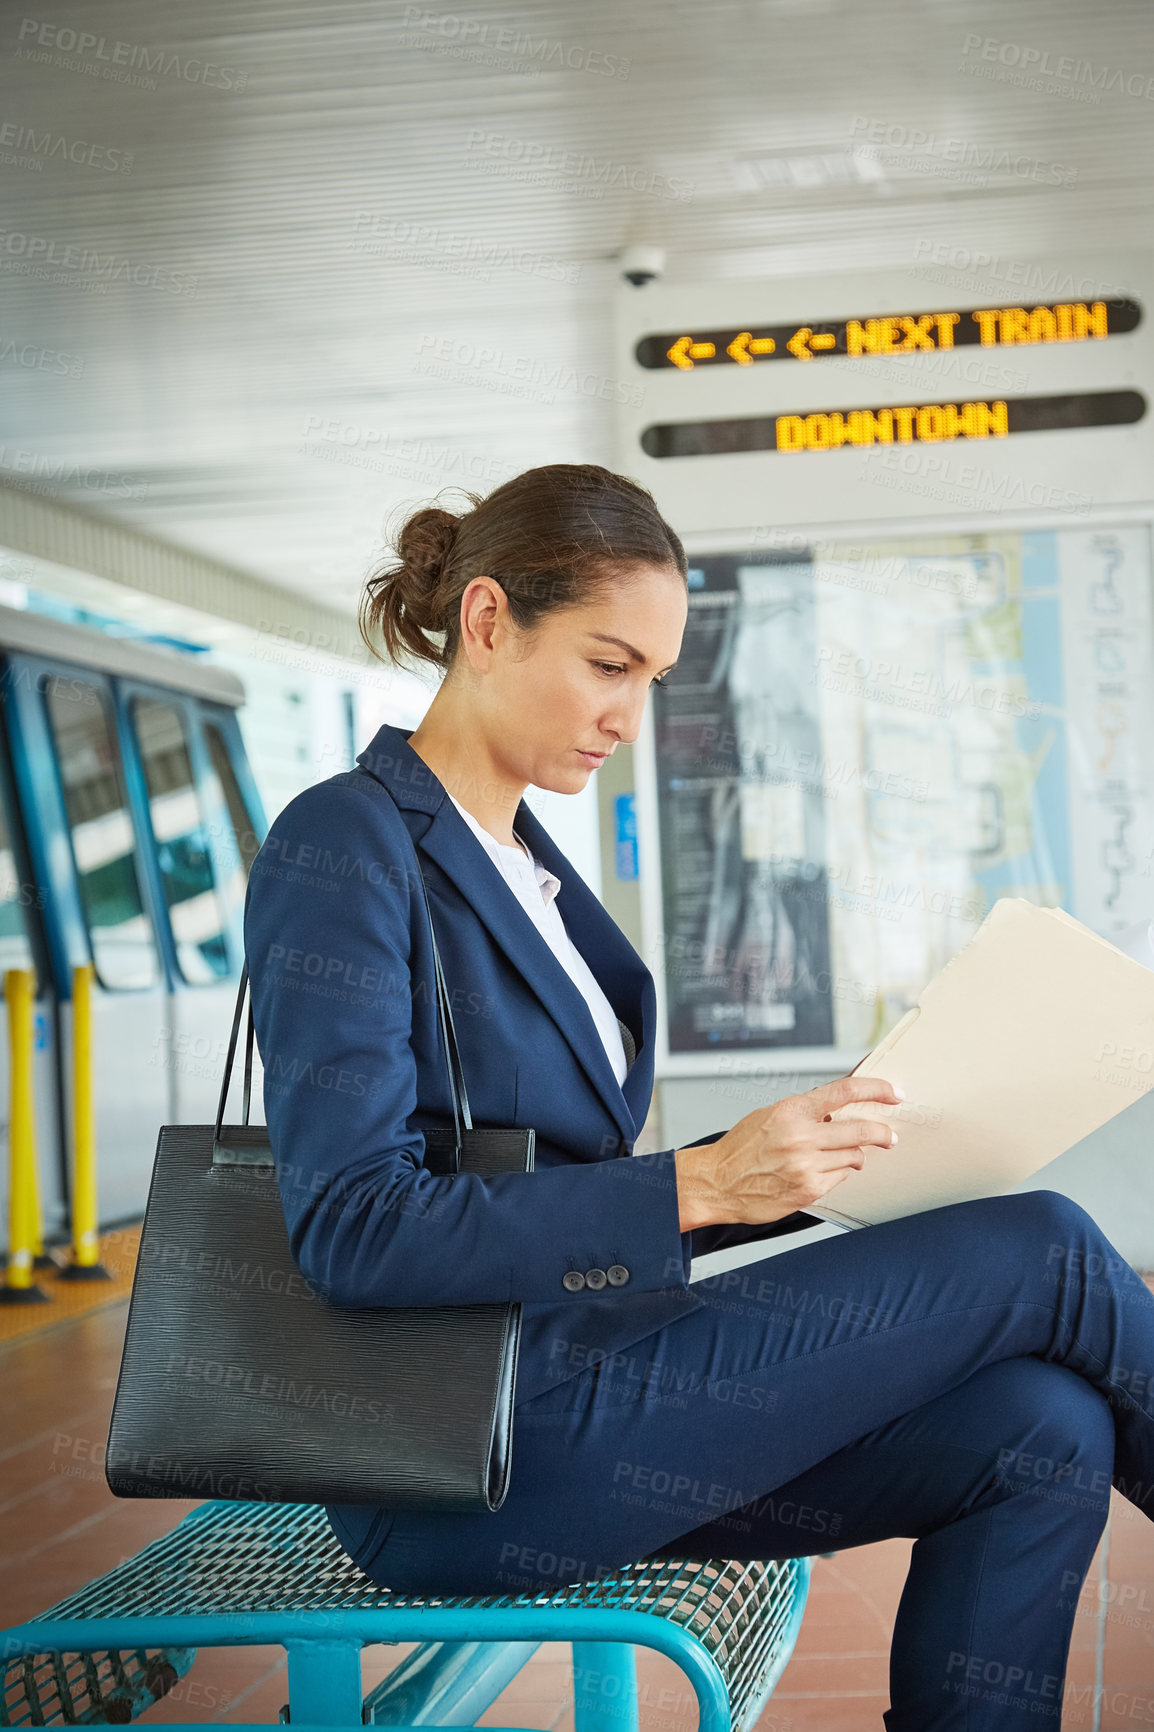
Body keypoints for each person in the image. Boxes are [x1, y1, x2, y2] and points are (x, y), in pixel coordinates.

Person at [244, 462, 1154, 1732]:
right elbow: (352, 1224)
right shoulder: (344, 841)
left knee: (1042, 1428)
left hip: (591, 1389)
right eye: (609, 663)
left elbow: (570, 1199)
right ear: (491, 622)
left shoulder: (539, 877)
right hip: (466, 1450)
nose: (629, 715)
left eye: (653, 682)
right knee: (1045, 1249)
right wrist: (697, 1180)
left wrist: (784, 1168)